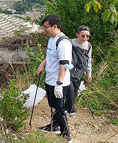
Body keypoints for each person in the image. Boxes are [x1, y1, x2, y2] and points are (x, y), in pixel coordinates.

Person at [37, 14, 73, 142]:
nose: (44, 30)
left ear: (55, 26)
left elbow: (64, 64)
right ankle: (55, 126)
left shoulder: (63, 42)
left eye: (46, 27)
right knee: (53, 105)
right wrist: (42, 65)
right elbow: (50, 55)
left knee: (59, 108)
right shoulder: (52, 39)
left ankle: (66, 134)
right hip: (50, 78)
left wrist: (59, 83)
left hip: (58, 81)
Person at [64, 25, 93, 117]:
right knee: (70, 89)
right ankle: (71, 109)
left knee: (75, 90)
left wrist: (89, 73)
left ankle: (67, 107)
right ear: (77, 34)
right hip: (68, 69)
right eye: (83, 35)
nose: (85, 38)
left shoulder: (88, 46)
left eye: (87, 36)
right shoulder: (69, 42)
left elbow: (88, 60)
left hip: (79, 71)